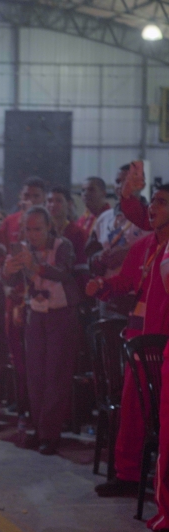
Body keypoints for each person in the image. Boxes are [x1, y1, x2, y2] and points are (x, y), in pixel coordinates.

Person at [87, 183, 169, 498]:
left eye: (162, 202)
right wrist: (103, 285)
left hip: (163, 343)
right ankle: (127, 474)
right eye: (154, 201)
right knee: (133, 410)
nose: (154, 207)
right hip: (138, 340)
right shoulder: (144, 245)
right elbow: (126, 281)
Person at [3, 206, 79, 455]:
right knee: (35, 376)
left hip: (61, 314)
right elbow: (11, 281)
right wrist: (8, 270)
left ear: (49, 228)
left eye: (38, 229)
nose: (33, 234)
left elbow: (66, 274)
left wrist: (36, 267)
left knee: (55, 375)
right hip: (35, 314)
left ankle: (50, 433)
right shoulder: (23, 248)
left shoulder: (62, 245)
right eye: (28, 229)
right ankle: (39, 429)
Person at [0, 177, 47, 426]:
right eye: (27, 195)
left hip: (43, 302)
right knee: (18, 358)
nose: (30, 200)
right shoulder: (9, 222)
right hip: (16, 301)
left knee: (41, 361)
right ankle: (22, 408)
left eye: (36, 196)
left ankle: (44, 414)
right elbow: (1, 259)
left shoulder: (50, 225)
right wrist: (6, 282)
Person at [87, 164, 149, 317]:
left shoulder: (152, 217)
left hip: (141, 294)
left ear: (141, 185)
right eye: (118, 181)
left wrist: (130, 255)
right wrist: (99, 258)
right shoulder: (103, 219)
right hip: (109, 293)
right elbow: (90, 256)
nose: (121, 186)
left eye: (128, 181)